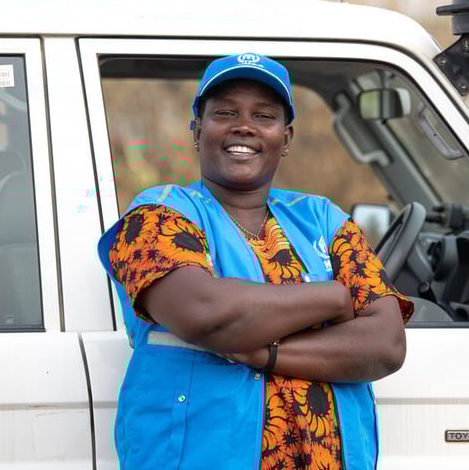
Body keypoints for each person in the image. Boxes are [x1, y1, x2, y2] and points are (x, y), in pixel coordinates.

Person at [97, 53, 413, 470]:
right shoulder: (158, 214)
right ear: (197, 130)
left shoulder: (324, 220)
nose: (243, 125)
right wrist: (336, 299)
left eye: (263, 115)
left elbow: (385, 344)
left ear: (286, 137)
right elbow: (205, 313)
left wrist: (263, 353)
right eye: (224, 112)